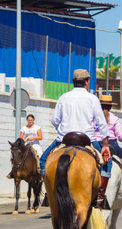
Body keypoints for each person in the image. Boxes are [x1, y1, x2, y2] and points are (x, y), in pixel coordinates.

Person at [39, 69, 111, 208]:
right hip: (87, 140)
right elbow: (102, 123)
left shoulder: (63, 97)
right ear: (86, 82)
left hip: (64, 139)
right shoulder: (92, 98)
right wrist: (106, 144)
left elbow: (55, 121)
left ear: (73, 82)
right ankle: (100, 197)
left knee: (43, 160)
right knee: (108, 164)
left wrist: (63, 129)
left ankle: (49, 193)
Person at [95, 94, 122, 165]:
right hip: (111, 144)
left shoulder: (94, 117)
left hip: (96, 143)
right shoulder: (114, 118)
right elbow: (120, 136)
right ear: (111, 107)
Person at [6, 114, 43, 179]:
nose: (30, 121)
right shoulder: (24, 128)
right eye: (29, 120)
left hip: (35, 144)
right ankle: (13, 171)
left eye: (31, 120)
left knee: (40, 154)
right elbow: (20, 138)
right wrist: (24, 140)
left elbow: (40, 137)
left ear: (33, 120)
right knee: (15, 154)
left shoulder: (37, 127)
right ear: (27, 120)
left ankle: (40, 170)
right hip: (25, 144)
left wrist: (33, 138)